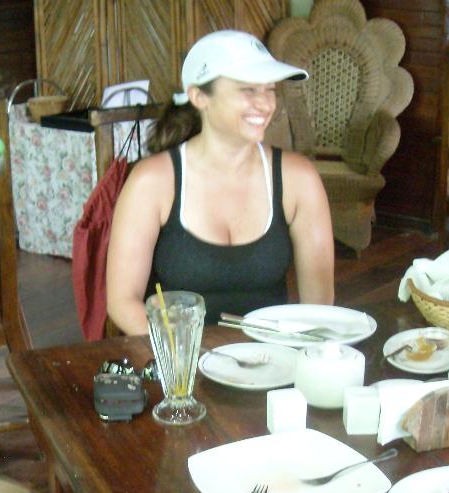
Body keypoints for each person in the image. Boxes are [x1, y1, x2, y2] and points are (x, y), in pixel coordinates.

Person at [105, 29, 335, 336]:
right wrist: (186, 360)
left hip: (269, 362)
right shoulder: (153, 182)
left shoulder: (299, 180)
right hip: (181, 366)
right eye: (248, 90)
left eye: (269, 90)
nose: (266, 104)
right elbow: (122, 302)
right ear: (199, 96)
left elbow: (319, 305)